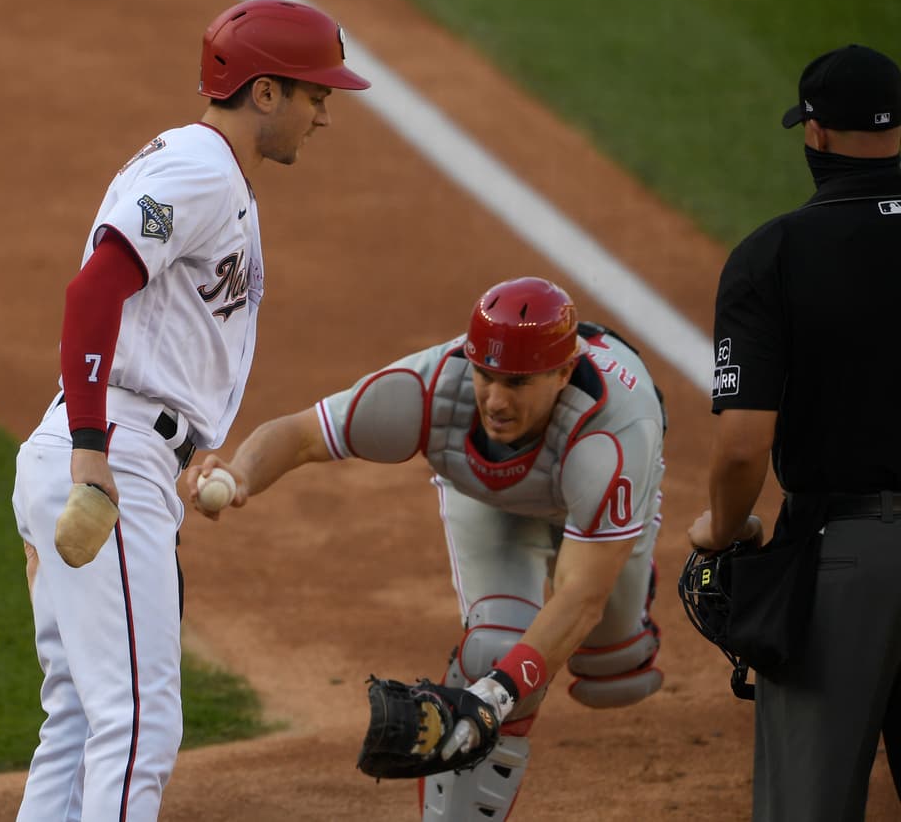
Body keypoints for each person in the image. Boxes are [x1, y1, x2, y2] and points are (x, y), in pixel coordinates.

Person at [9, 0, 369, 821]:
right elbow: (94, 290)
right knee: (138, 726)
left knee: (80, 717)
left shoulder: (206, 171)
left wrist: (177, 445)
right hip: (107, 450)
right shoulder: (200, 170)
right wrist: (93, 454)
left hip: (113, 443)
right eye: (315, 95)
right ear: (265, 92)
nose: (323, 116)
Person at [189, 276, 667, 821]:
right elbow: (302, 435)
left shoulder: (615, 433)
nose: (495, 400)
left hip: (595, 484)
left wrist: (499, 694)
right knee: (493, 653)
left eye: (517, 382)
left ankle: (618, 559)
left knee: (614, 669)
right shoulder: (429, 390)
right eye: (485, 374)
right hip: (490, 500)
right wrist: (241, 473)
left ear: (562, 373)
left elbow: (581, 598)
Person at [687, 43, 901, 822]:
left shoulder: (772, 256)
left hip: (848, 559)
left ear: (815, 133)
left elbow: (744, 445)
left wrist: (718, 530)